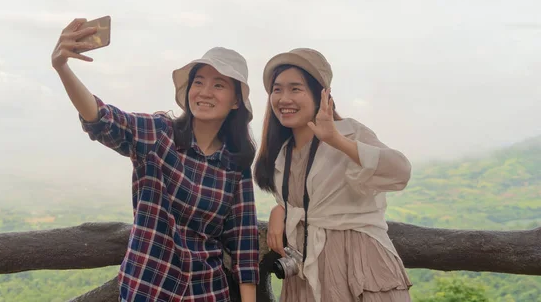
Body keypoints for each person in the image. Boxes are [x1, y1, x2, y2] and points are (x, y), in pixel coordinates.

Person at [51, 19, 260, 302]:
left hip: (208, 292)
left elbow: (244, 243)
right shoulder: (159, 135)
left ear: (236, 101)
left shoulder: (235, 163)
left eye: (219, 85)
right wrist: (62, 68)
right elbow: (102, 118)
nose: (205, 92)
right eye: (198, 82)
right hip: (150, 289)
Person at [253, 48, 412, 302]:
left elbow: (400, 172)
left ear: (322, 94)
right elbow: (310, 197)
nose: (284, 98)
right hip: (306, 277)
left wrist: (335, 140)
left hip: (359, 269)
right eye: (277, 89)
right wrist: (280, 209)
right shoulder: (282, 153)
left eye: (295, 89)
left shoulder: (349, 133)